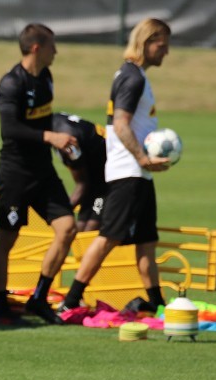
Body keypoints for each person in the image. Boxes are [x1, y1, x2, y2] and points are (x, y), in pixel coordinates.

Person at [59, 18, 173, 314]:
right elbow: (121, 125)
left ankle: (157, 302)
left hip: (139, 173)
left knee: (147, 240)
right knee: (108, 236)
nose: (167, 52)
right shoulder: (133, 77)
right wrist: (143, 157)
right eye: (163, 44)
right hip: (129, 172)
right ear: (147, 42)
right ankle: (71, 300)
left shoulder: (133, 75)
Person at [0, 24, 78, 325]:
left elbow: (45, 119)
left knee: (67, 228)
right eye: (53, 45)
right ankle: (1, 305)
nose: (57, 51)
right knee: (6, 240)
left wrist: (61, 140)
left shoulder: (47, 78)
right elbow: (10, 129)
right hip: (15, 174)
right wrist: (50, 137)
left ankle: (39, 298)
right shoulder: (11, 83)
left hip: (44, 171)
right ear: (37, 48)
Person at [53, 112, 107, 232]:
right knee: (80, 228)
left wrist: (60, 213)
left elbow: (82, 185)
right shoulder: (54, 120)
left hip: (110, 179)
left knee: (90, 228)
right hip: (95, 175)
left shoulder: (68, 143)